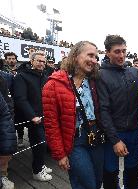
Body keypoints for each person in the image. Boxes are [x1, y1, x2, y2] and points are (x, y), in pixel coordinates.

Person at [42, 41, 104, 189]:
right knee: (88, 183)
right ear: (76, 56)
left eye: (96, 57)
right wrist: (60, 154)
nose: (94, 60)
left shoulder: (95, 81)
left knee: (95, 180)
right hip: (75, 142)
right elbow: (51, 124)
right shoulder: (54, 84)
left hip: (97, 138)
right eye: (90, 55)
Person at [96, 35, 138, 189]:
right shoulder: (101, 75)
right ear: (107, 52)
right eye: (117, 51)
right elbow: (103, 110)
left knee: (133, 171)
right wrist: (115, 140)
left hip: (134, 132)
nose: (121, 55)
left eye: (124, 51)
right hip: (113, 134)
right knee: (110, 172)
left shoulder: (134, 72)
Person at [13, 51, 52, 181]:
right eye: (39, 61)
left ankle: (40, 164)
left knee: (43, 144)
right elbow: (20, 99)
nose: (42, 63)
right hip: (33, 118)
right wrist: (32, 116)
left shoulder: (44, 76)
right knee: (39, 143)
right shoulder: (21, 76)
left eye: (43, 61)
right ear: (32, 61)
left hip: (45, 116)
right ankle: (37, 171)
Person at [0, 76, 16, 189]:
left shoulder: (2, 79)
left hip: (4, 125)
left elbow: (6, 110)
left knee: (4, 152)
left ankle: (3, 176)